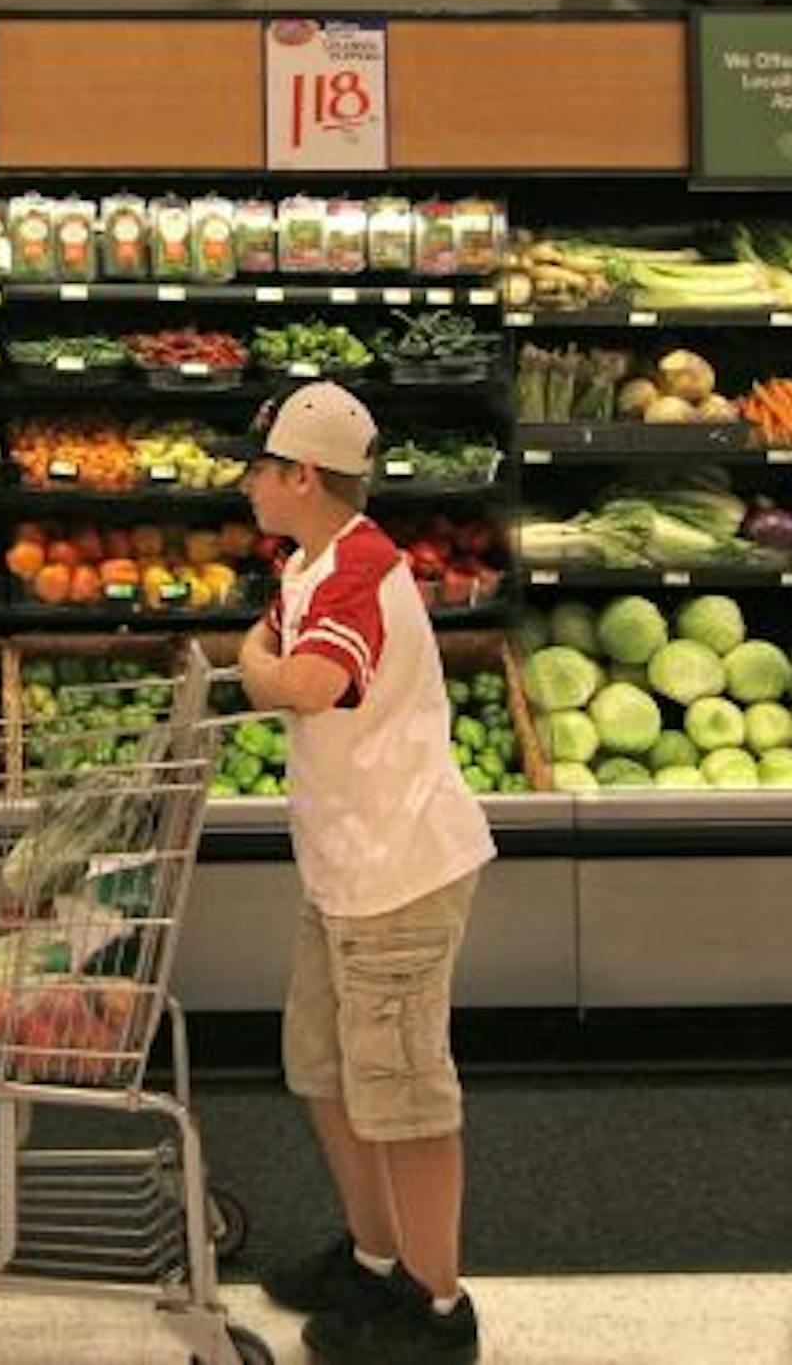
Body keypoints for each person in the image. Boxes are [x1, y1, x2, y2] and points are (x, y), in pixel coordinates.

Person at [235, 382, 496, 1365]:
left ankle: (438, 1309)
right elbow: (272, 640)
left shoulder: (359, 569)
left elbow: (301, 679)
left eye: (259, 468)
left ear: (302, 474)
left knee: (406, 1093)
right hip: (346, 867)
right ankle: (378, 1258)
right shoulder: (313, 561)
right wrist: (264, 653)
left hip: (397, 873)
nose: (249, 485)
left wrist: (259, 669)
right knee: (328, 1069)